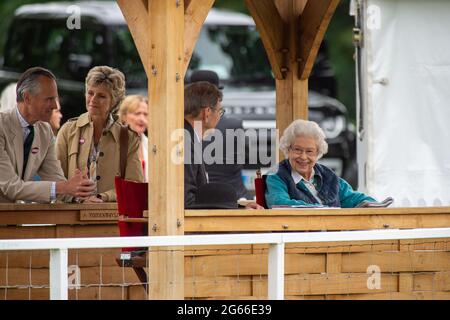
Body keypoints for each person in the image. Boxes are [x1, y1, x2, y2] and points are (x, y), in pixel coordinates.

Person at [0, 67, 95, 203]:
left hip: (14, 219)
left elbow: (56, 180)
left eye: (55, 98)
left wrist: (79, 194)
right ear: (27, 98)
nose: (55, 105)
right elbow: (11, 187)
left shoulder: (44, 131)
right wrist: (65, 187)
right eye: (49, 99)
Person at [56, 66, 144, 203]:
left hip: (110, 220)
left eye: (101, 96)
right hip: (71, 219)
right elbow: (55, 181)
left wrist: (102, 197)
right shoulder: (68, 131)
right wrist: (77, 196)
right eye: (90, 93)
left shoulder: (129, 137)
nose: (93, 100)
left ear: (114, 101)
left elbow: (134, 186)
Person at [184, 81, 262, 209]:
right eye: (220, 112)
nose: (220, 117)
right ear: (207, 113)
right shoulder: (186, 143)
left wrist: (238, 208)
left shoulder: (188, 138)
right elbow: (187, 203)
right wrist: (236, 211)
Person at [265, 119, 377, 208]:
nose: (303, 157)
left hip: (333, 235)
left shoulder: (327, 175)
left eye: (309, 151)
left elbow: (352, 197)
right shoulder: (276, 175)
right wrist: (320, 209)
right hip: (298, 235)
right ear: (288, 150)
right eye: (297, 150)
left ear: (317, 153)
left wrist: (374, 204)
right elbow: (280, 204)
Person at [190, 70, 252, 199]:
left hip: (197, 198)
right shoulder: (234, 124)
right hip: (235, 196)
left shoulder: (179, 125)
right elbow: (247, 159)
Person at [118, 95, 149, 182]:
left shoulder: (152, 145)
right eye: (137, 113)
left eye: (145, 114)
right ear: (124, 117)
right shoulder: (112, 142)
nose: (142, 119)